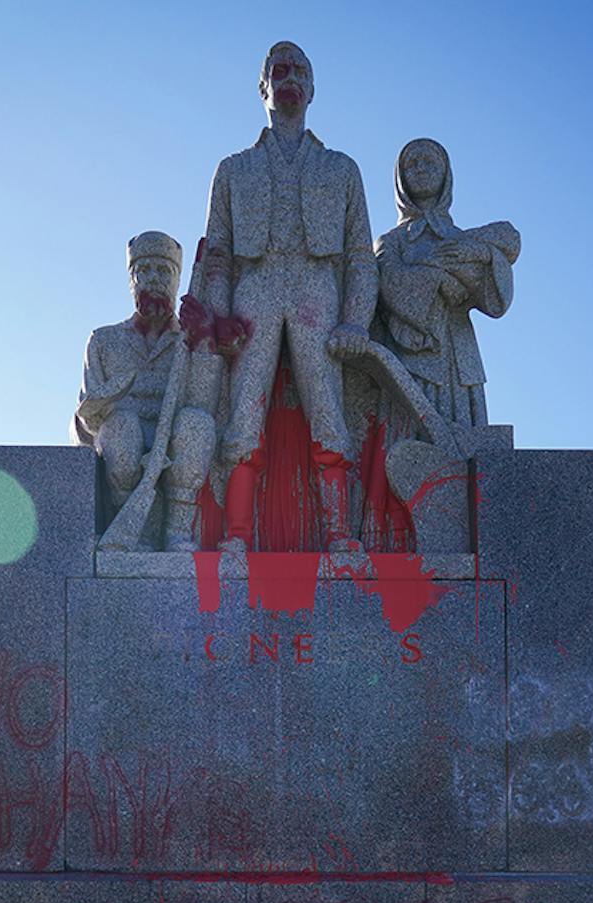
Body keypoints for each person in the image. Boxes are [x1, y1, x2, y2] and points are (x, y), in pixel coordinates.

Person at [199, 41, 377, 552]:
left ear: (314, 88)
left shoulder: (341, 169)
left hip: (315, 288)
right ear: (263, 87)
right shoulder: (233, 169)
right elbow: (219, 252)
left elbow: (360, 255)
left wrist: (356, 320)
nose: (290, 77)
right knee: (243, 410)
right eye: (279, 70)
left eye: (300, 70)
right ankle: (235, 536)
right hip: (253, 290)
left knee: (327, 408)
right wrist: (218, 313)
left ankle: (340, 535)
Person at [73, 231, 216, 550]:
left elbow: (207, 402)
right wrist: (107, 407)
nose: (153, 279)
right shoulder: (103, 340)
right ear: (131, 279)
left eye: (164, 270)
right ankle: (138, 533)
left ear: (178, 279)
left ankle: (178, 532)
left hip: (178, 440)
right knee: (121, 429)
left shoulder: (190, 340)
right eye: (144, 270)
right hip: (120, 444)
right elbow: (85, 421)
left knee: (197, 424)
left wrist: (203, 340)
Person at [374, 137, 520, 427]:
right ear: (400, 179)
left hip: (458, 353)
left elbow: (494, 300)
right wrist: (438, 276)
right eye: (412, 164)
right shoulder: (391, 241)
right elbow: (389, 284)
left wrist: (481, 253)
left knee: (469, 442)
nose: (421, 168)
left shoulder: (464, 239)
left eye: (430, 162)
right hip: (409, 355)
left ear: (446, 174)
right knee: (408, 437)